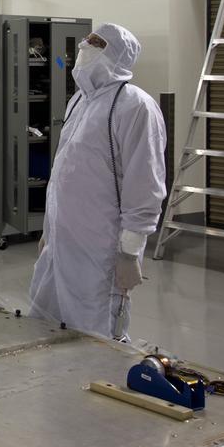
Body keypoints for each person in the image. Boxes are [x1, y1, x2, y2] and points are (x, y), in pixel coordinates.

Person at [28, 24, 166, 340]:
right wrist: (50, 231)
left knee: (96, 334)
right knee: (45, 323)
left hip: (101, 248)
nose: (85, 49)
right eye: (86, 43)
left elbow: (145, 184)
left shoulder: (136, 106)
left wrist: (130, 252)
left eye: (96, 44)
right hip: (62, 243)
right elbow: (64, 173)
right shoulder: (80, 101)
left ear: (115, 55)